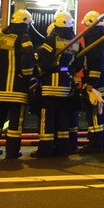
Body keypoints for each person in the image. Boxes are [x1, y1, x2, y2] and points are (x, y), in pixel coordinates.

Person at [0, 8, 36, 160]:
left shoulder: (2, 37)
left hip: (1, 89)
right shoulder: (24, 38)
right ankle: (12, 152)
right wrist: (27, 77)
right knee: (15, 124)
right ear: (26, 23)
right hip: (17, 90)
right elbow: (27, 61)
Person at [33, 11, 78, 158]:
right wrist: (69, 70)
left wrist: (40, 72)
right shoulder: (75, 41)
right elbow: (78, 63)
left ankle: (45, 150)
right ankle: (62, 148)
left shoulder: (51, 40)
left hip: (50, 85)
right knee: (63, 117)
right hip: (66, 85)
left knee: (48, 118)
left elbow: (43, 61)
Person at [74, 10, 104, 154]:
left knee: (94, 113)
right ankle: (100, 142)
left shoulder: (95, 39)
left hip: (97, 81)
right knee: (100, 113)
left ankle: (95, 145)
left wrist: (91, 82)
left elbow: (95, 62)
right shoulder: (103, 36)